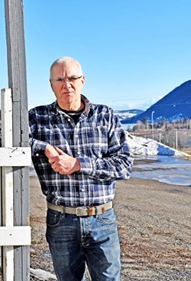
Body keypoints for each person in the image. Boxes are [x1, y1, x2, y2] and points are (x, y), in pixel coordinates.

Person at [28, 56, 133, 281]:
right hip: (61, 220)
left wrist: (78, 165)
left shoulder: (105, 116)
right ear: (51, 84)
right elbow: (2, 140)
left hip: (102, 219)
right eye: (60, 79)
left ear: (83, 80)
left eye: (72, 78)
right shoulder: (37, 118)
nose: (67, 85)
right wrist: (44, 147)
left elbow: (124, 165)